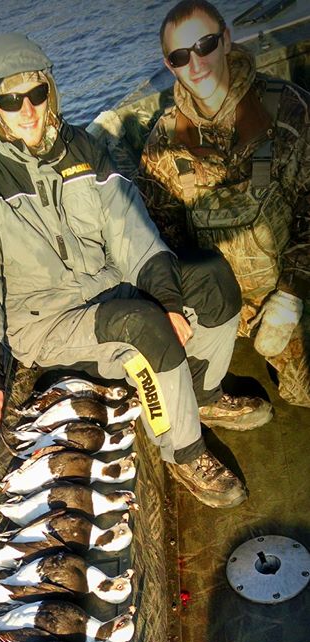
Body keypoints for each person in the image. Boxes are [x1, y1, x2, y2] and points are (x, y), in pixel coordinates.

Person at [0, 31, 271, 509]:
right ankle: (183, 451)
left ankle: (202, 395)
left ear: (49, 91)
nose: (28, 110)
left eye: (36, 93)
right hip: (46, 323)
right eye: (11, 99)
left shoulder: (80, 148)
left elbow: (130, 231)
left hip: (107, 286)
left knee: (213, 279)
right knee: (143, 326)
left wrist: (169, 297)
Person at [139, 0, 310, 407]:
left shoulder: (288, 107)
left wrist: (290, 295)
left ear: (227, 40)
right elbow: (158, 239)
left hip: (291, 286)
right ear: (170, 65)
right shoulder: (162, 144)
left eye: (206, 45)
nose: (196, 63)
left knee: (303, 392)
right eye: (181, 56)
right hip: (220, 306)